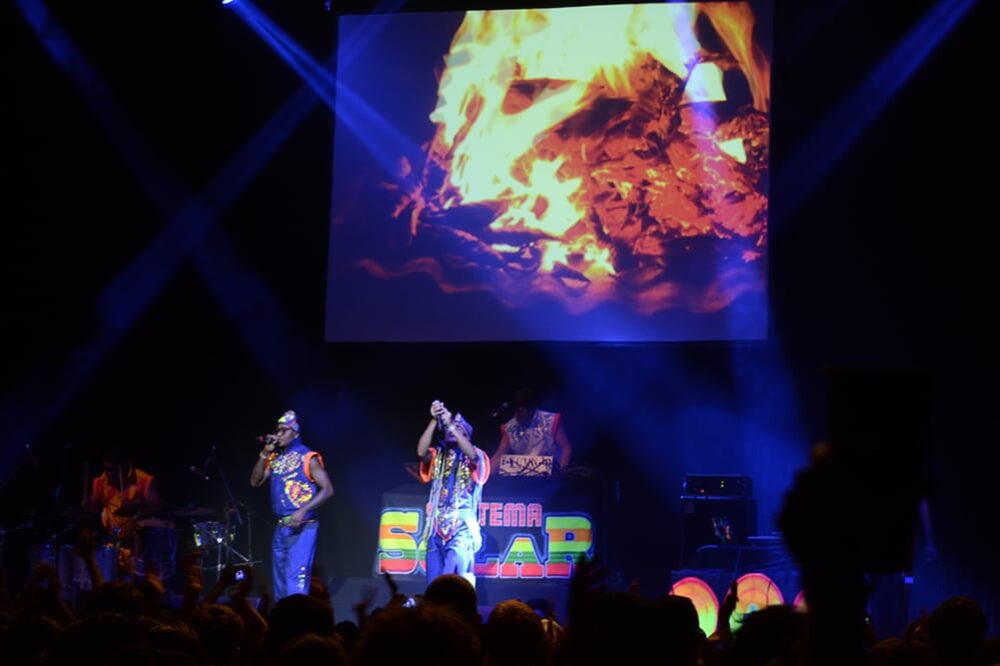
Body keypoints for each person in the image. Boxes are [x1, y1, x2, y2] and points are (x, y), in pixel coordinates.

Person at [250, 410, 334, 600]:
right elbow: (255, 481)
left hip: (303, 525)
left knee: (295, 581)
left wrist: (303, 510)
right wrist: (264, 454)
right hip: (281, 526)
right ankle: (283, 615)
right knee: (280, 584)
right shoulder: (274, 458)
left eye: (283, 430)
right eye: (277, 430)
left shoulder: (308, 456)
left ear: (295, 433)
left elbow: (328, 489)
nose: (278, 434)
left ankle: (297, 616)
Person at [417, 400, 489, 587]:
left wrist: (450, 424)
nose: (452, 430)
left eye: (459, 429)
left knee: (452, 583)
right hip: (436, 526)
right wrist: (434, 420)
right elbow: (421, 452)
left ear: (467, 436)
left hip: (462, 528)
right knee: (434, 585)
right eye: (450, 428)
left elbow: (473, 457)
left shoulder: (476, 454)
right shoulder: (438, 454)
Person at [84, 448, 163, 576]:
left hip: (139, 542)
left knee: (137, 575)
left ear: (125, 466)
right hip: (112, 541)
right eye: (106, 470)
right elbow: (92, 509)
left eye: (113, 470)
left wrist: (136, 514)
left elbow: (156, 505)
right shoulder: (101, 482)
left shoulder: (144, 480)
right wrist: (87, 505)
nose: (109, 474)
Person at [491, 389, 572, 473]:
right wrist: (486, 473)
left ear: (531, 410)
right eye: (516, 411)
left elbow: (566, 447)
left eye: (521, 411)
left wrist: (562, 472)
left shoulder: (550, 421)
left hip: (553, 472)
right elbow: (500, 453)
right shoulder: (510, 428)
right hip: (525, 475)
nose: (517, 415)